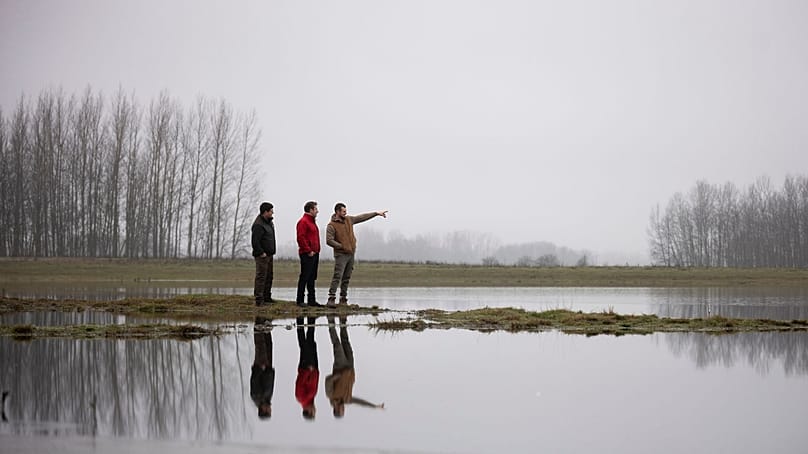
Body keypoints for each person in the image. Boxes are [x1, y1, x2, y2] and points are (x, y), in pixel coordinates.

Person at [325, 203, 388, 307]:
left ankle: (343, 298)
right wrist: (342, 246)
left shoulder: (349, 220)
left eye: (346, 211)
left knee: (347, 277)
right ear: (337, 212)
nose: (346, 213)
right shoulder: (331, 225)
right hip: (341, 255)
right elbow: (329, 240)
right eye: (343, 211)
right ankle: (331, 298)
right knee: (338, 276)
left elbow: (362, 217)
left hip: (351, 254)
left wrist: (376, 213)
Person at [325, 314, 384, 418]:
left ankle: (330, 320)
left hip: (340, 367)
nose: (343, 409)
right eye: (343, 411)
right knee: (346, 341)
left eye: (342, 410)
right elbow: (360, 402)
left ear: (336, 409)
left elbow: (328, 380)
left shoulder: (331, 395)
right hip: (350, 367)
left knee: (337, 344)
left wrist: (338, 376)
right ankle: (342, 320)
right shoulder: (347, 400)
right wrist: (374, 406)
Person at [296, 201, 321, 308]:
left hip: (315, 253)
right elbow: (301, 238)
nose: (317, 211)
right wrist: (308, 250)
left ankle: (312, 300)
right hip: (307, 254)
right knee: (305, 276)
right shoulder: (303, 222)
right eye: (315, 209)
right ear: (310, 210)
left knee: (312, 277)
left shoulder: (312, 222)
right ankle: (300, 300)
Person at [251, 202, 276, 306]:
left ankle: (267, 297)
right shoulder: (258, 224)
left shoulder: (269, 223)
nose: (272, 213)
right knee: (261, 277)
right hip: (262, 256)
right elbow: (255, 241)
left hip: (269, 255)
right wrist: (261, 253)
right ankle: (259, 299)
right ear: (265, 212)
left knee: (269, 276)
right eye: (271, 211)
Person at [250, 316, 275, 420]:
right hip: (268, 367)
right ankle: (265, 325)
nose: (270, 409)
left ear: (263, 410)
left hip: (261, 366)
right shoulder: (267, 398)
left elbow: (254, 380)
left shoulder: (256, 397)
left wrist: (260, 369)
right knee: (268, 344)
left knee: (261, 345)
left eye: (268, 411)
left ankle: (259, 324)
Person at [295, 316, 319, 420]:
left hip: (306, 367)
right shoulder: (310, 399)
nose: (315, 409)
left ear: (308, 411)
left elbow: (300, 382)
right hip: (313, 368)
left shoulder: (301, 398)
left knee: (304, 344)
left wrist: (307, 371)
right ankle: (311, 319)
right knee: (311, 341)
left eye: (313, 412)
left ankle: (300, 319)